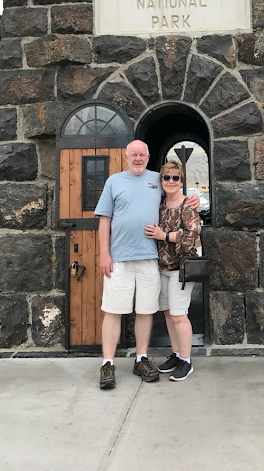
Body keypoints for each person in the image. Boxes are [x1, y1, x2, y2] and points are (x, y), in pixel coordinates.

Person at [95, 140, 199, 390]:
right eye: (134, 154)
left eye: (142, 154)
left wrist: (194, 198)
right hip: (119, 258)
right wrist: (104, 254)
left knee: (145, 310)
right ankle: (107, 363)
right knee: (113, 310)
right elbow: (104, 220)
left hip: (150, 258)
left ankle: (141, 358)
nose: (138, 158)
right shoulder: (114, 181)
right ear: (126, 157)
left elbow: (176, 194)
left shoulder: (157, 179)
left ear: (148, 156)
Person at [144, 159, 201, 382]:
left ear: (181, 181)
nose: (171, 181)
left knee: (179, 315)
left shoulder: (188, 205)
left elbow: (191, 235)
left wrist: (164, 236)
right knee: (168, 313)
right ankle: (177, 355)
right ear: (161, 180)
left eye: (175, 177)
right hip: (161, 267)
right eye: (166, 177)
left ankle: (186, 361)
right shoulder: (158, 204)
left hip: (180, 269)